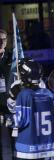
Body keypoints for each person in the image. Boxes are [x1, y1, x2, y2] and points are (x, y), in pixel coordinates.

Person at [7, 58, 54, 160]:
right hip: (46, 144)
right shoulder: (47, 93)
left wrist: (8, 120)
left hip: (28, 142)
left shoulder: (24, 93)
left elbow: (20, 118)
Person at [0, 29, 14, 159]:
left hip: (9, 103)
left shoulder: (12, 56)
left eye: (3, 39)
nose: (0, 42)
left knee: (13, 136)